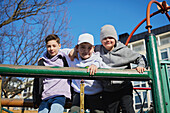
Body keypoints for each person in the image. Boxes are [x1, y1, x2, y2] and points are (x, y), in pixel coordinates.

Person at [95, 24, 146, 113]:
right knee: (110, 111)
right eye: (104, 38)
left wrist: (141, 65)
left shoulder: (123, 50)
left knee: (128, 109)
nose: (108, 40)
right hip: (108, 89)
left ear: (115, 39)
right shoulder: (98, 50)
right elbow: (85, 49)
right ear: (101, 41)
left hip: (123, 86)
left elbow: (140, 57)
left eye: (110, 38)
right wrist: (74, 50)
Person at [64, 33, 110, 113]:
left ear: (93, 48)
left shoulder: (96, 58)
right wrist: (43, 58)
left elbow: (108, 69)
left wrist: (96, 65)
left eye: (89, 48)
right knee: (74, 111)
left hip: (95, 92)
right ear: (77, 47)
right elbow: (57, 51)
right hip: (79, 92)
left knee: (98, 111)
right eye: (82, 47)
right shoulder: (74, 57)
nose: (86, 51)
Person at [33, 34, 71, 113]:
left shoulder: (64, 58)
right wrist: (36, 99)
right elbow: (38, 81)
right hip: (45, 95)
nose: (51, 49)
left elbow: (76, 53)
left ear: (59, 46)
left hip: (60, 94)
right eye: (49, 46)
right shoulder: (42, 61)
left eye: (54, 46)